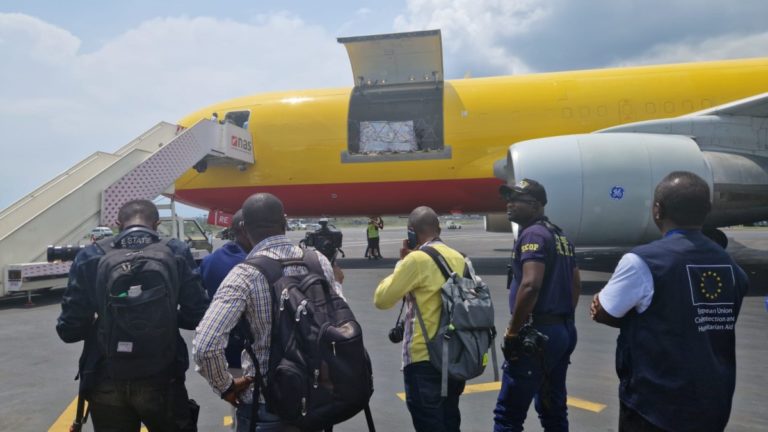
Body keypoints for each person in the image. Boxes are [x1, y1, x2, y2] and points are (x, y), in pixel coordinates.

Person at [590, 171, 749, 432]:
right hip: (714, 401)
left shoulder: (643, 261)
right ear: (706, 210)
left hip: (654, 404)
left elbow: (605, 312)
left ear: (657, 210)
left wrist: (611, 306)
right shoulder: (730, 266)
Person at [193, 193, 345, 432]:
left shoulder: (244, 274)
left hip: (265, 402)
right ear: (284, 222)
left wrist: (225, 386)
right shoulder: (318, 261)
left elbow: (206, 345)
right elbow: (339, 320)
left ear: (243, 227)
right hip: (316, 396)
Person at [56, 199, 210, 431]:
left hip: (106, 375)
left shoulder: (91, 255)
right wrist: (164, 316)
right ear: (156, 225)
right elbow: (198, 314)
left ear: (118, 224)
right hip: (162, 375)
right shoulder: (175, 250)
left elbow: (69, 330)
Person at [494, 179, 580, 432]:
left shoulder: (533, 234)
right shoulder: (559, 234)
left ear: (534, 205)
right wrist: (563, 321)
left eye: (515, 200)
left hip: (536, 334)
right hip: (561, 330)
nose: (508, 205)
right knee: (553, 409)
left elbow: (530, 285)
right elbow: (575, 284)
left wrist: (512, 332)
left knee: (508, 414)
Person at [374, 206, 467, 432]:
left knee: (429, 422)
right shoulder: (458, 257)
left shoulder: (416, 260)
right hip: (453, 354)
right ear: (438, 228)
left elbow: (382, 299)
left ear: (411, 232)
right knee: (449, 419)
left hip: (424, 357)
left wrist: (401, 265)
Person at [199, 209, 253, 370]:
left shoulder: (210, 260)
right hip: (252, 352)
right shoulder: (254, 263)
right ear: (246, 230)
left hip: (227, 351)